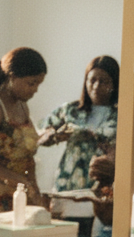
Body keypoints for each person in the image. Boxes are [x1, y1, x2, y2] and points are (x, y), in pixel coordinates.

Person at [0, 47, 48, 213]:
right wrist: (21, 181)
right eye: (31, 83)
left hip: (19, 192)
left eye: (38, 84)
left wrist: (34, 189)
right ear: (12, 77)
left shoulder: (22, 106)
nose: (35, 90)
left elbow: (26, 157)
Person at [38, 55, 119, 192]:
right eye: (92, 80)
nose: (96, 86)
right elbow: (41, 132)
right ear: (85, 81)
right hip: (68, 179)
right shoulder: (71, 110)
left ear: (114, 84)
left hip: (100, 182)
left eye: (104, 81)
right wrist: (54, 135)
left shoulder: (121, 115)